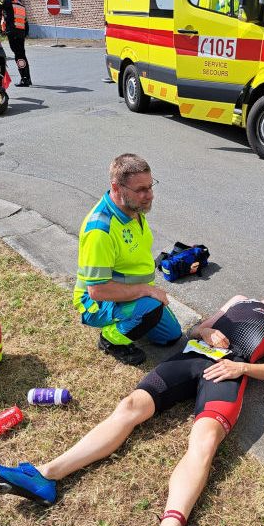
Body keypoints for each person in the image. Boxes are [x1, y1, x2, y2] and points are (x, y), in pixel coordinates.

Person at [0, 277, 264, 526]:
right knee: (130, 406)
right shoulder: (238, 300)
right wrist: (206, 331)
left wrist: (242, 370)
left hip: (229, 371)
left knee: (204, 442)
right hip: (191, 357)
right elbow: (196, 330)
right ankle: (44, 476)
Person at [75, 153, 183, 366]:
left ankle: (135, 316)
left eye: (150, 187)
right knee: (151, 308)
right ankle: (110, 339)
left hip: (127, 294)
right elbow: (97, 291)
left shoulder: (132, 208)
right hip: (97, 303)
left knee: (172, 335)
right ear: (116, 188)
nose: (149, 195)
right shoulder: (100, 231)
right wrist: (146, 290)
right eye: (141, 190)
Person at [1, 0, 31, 86]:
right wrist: (24, 34)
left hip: (13, 33)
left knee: (18, 56)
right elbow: (26, 23)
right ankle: (27, 78)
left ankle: (24, 79)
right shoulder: (20, 4)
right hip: (20, 34)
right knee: (22, 55)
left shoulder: (8, 2)